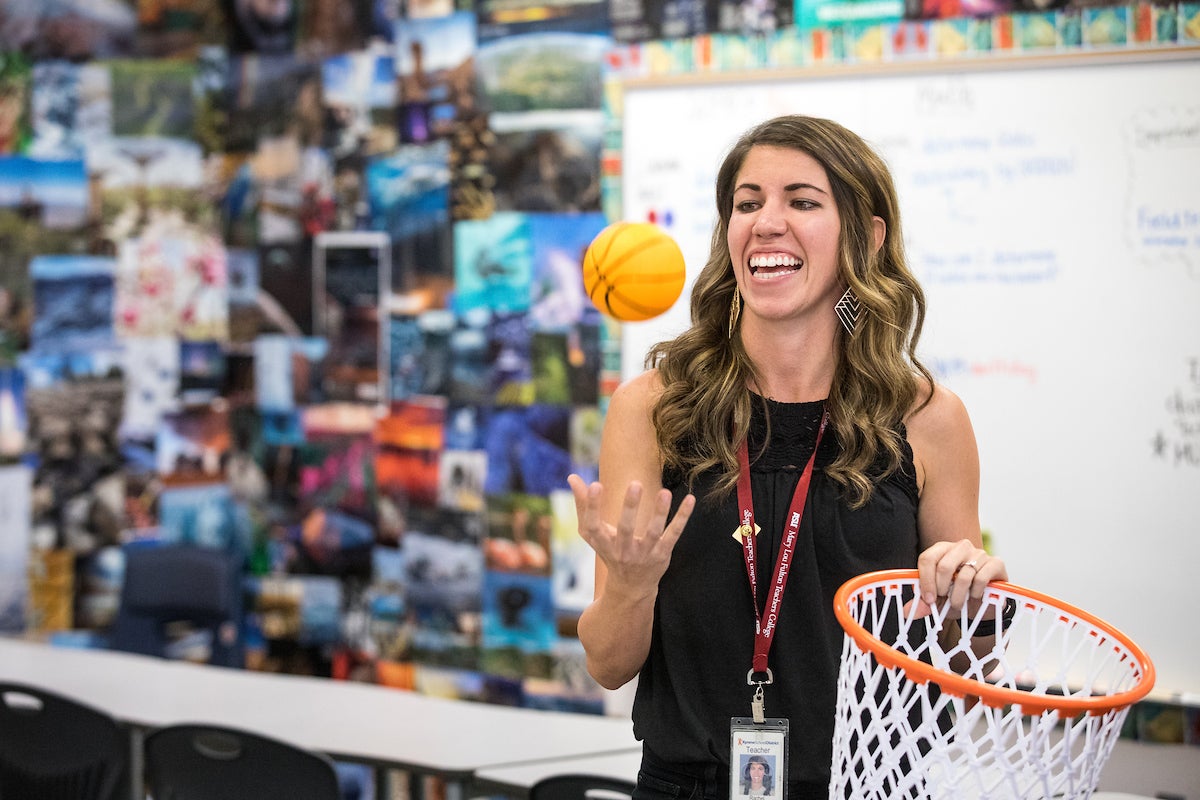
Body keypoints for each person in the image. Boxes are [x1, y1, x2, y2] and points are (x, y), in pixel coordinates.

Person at [567, 114, 1009, 799]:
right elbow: (608, 665)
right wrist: (629, 583)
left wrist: (972, 595)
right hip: (689, 784)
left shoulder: (928, 418)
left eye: (802, 201)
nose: (766, 222)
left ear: (865, 236)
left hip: (877, 786)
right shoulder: (654, 407)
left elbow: (967, 661)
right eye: (748, 203)